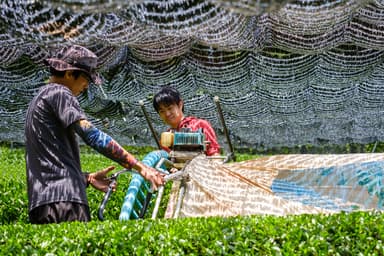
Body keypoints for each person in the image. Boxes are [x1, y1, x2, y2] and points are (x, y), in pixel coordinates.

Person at [25, 45, 165, 224]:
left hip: (42, 203)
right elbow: (92, 135)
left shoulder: (38, 100)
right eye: (86, 78)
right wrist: (140, 167)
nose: (87, 85)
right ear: (69, 73)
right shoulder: (60, 93)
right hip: (64, 203)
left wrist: (87, 178)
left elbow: (48, 161)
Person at [152, 86, 220, 156]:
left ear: (180, 105)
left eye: (170, 108)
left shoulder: (199, 125)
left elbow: (214, 153)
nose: (167, 114)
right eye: (162, 111)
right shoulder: (166, 138)